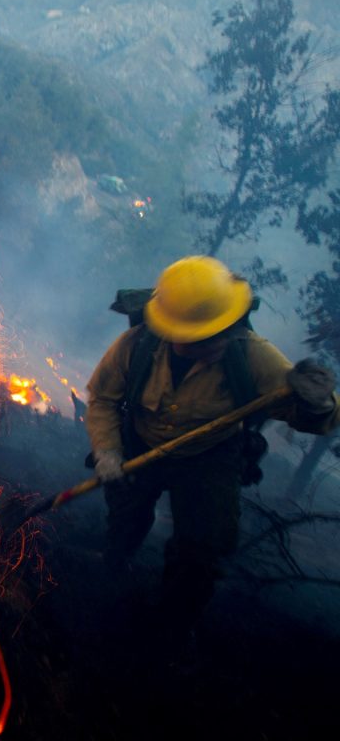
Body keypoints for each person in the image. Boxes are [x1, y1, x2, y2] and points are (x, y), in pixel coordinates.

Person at [85, 256, 339, 653]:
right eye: (204, 337)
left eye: (224, 330)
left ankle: (172, 623)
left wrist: (320, 405)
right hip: (141, 444)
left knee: (204, 548)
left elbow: (305, 414)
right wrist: (107, 452)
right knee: (126, 516)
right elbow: (102, 399)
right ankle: (115, 565)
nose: (219, 341)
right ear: (170, 332)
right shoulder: (137, 347)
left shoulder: (252, 355)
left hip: (209, 457)